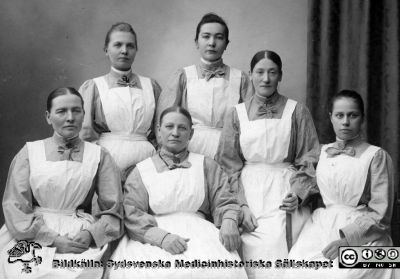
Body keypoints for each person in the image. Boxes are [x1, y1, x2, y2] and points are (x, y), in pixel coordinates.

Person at [109, 106, 247, 279]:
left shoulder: (207, 165)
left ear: (191, 133)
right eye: (169, 127)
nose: (175, 133)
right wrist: (163, 238)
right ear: (159, 131)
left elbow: (224, 201)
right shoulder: (141, 171)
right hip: (154, 235)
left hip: (201, 234)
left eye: (182, 128)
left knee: (220, 270)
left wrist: (229, 220)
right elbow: (132, 214)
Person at [215, 50, 320, 278]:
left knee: (282, 248)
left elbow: (309, 157)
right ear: (250, 74)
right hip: (248, 191)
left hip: (285, 190)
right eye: (260, 72)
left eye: (272, 72)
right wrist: (241, 206)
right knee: (248, 247)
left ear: (280, 76)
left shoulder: (297, 111)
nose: (266, 78)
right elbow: (227, 165)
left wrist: (298, 193)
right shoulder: (236, 113)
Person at [0, 87, 123, 278]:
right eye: (61, 111)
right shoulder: (29, 152)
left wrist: (91, 235)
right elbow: (15, 206)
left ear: (83, 115)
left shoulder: (99, 155)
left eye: (76, 110)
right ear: (48, 117)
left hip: (78, 234)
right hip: (34, 232)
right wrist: (52, 239)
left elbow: (113, 209)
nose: (70, 117)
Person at [285, 90, 396, 279]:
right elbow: (306, 179)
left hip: (365, 233)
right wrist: (296, 196)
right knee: (295, 270)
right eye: (340, 115)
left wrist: (346, 241)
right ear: (331, 118)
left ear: (362, 118)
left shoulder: (376, 156)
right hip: (321, 227)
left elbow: (381, 214)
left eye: (353, 115)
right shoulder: (321, 152)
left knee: (344, 276)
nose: (345, 122)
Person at [156, 13, 252, 159]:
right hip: (189, 148)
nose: (212, 43)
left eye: (219, 37)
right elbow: (163, 121)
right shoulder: (183, 76)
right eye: (206, 36)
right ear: (196, 42)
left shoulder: (241, 79)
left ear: (226, 43)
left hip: (227, 150)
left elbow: (251, 123)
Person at [79, 22, 161, 179]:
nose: (124, 51)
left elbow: (161, 131)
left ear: (136, 50)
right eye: (118, 45)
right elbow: (84, 132)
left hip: (147, 161)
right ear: (106, 49)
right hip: (107, 160)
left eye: (130, 46)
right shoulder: (93, 87)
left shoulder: (151, 86)